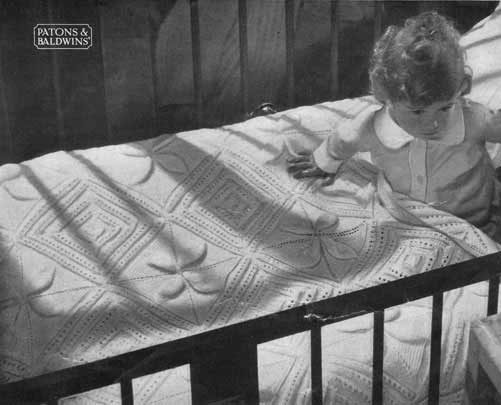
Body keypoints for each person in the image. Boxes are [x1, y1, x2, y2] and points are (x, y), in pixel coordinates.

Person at [287, 11, 501, 240]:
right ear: (385, 96)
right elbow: (341, 141)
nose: (434, 122)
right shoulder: (372, 127)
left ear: (461, 89)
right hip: (403, 215)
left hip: (475, 219)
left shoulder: (473, 118)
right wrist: (322, 163)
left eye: (445, 107)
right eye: (417, 111)